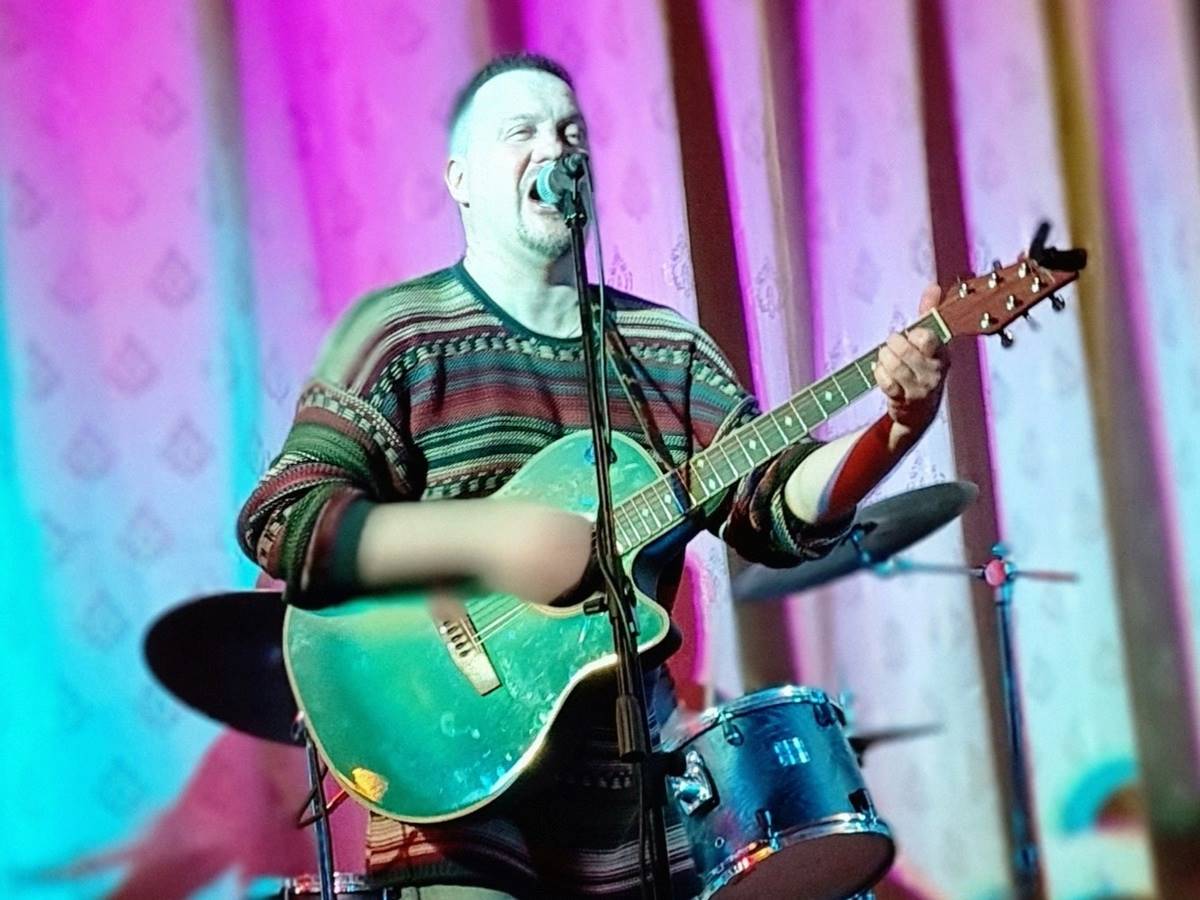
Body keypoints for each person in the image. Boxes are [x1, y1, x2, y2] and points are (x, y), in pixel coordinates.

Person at [237, 53, 948, 900]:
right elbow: (285, 517)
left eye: (570, 132)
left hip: (631, 794)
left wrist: (895, 430)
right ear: (461, 180)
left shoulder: (665, 348)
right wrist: (487, 540)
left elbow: (773, 505)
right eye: (523, 132)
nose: (556, 149)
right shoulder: (398, 335)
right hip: (451, 783)